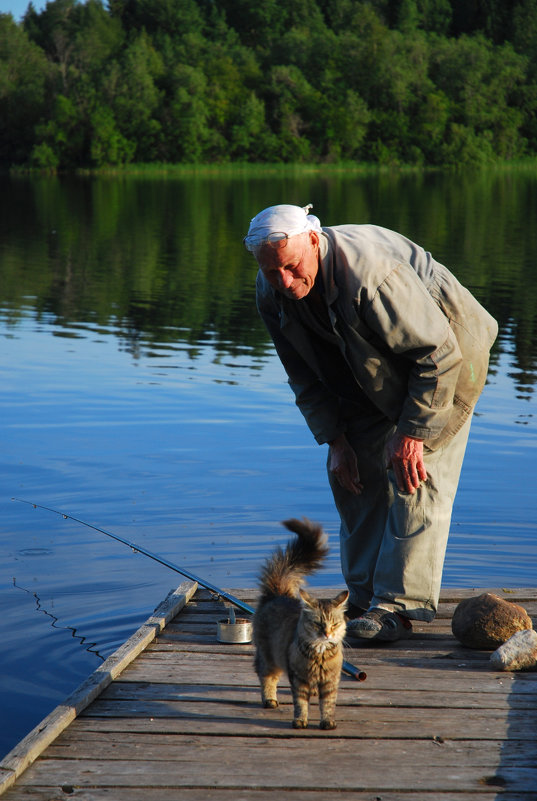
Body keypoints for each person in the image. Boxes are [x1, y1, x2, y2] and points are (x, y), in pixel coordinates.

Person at [245, 203, 498, 642]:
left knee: (414, 476)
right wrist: (335, 440)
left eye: (291, 267)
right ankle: (362, 601)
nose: (284, 281)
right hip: (367, 373)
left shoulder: (370, 275)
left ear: (312, 241)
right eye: (272, 272)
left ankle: (398, 608)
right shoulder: (271, 293)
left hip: (449, 364)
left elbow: (437, 356)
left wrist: (412, 433)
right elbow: (303, 375)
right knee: (353, 476)